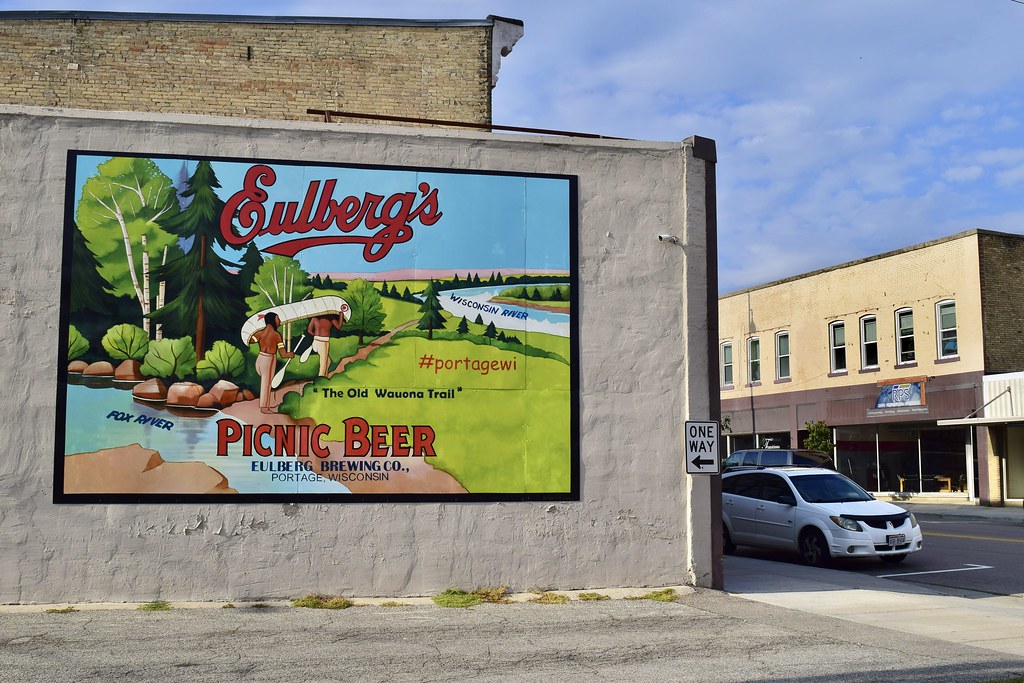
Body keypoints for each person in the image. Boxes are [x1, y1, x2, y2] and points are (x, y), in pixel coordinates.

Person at [251, 312, 294, 414]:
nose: (279, 321)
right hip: (268, 361)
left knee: (265, 382)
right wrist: (290, 354)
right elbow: (283, 354)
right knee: (266, 384)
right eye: (278, 319)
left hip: (260, 359)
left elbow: (251, 340)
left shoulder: (260, 333)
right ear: (273, 321)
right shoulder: (276, 335)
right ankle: (264, 408)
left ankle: (265, 404)